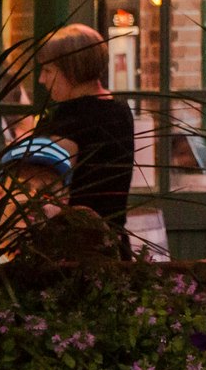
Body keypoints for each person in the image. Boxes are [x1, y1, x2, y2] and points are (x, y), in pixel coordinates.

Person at [31, 24, 136, 236]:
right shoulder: (120, 109)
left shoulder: (71, 117)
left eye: (49, 70)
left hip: (74, 248)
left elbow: (45, 192)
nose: (42, 79)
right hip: (113, 242)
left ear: (73, 70)